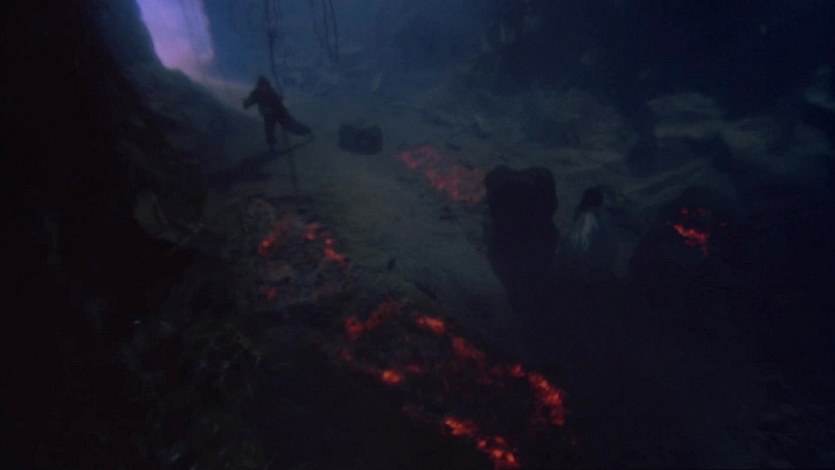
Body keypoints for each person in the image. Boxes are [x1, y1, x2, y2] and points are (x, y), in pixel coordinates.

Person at [243, 76, 311, 151]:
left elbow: (278, 101)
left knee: (289, 125)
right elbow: (252, 99)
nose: (263, 88)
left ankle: (306, 131)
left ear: (266, 85)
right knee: (268, 129)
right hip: (268, 115)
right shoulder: (256, 93)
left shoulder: (271, 92)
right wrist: (247, 103)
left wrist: (274, 104)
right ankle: (272, 146)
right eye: (261, 86)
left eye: (264, 86)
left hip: (279, 112)